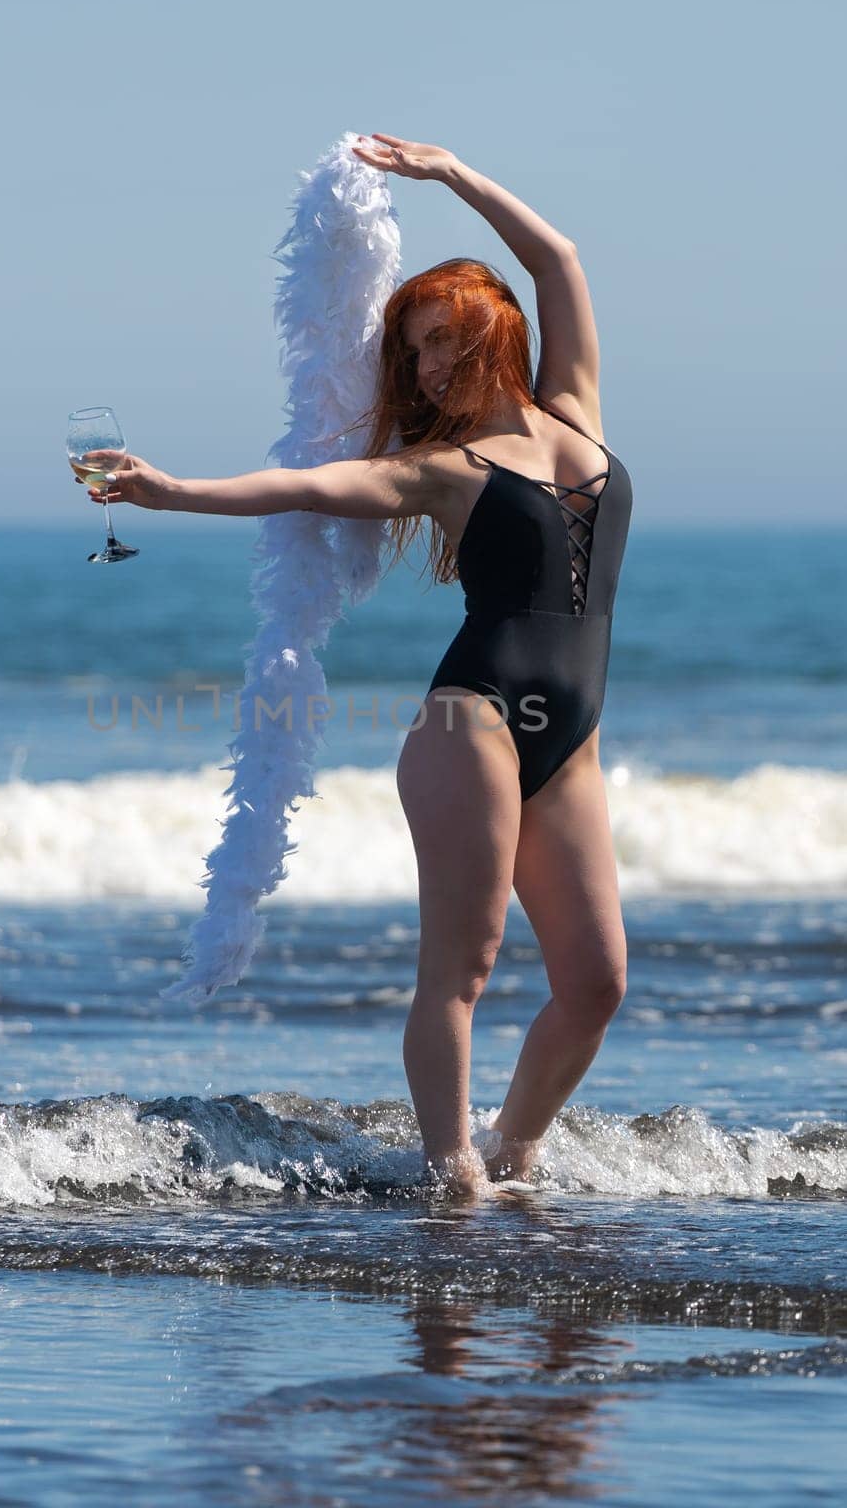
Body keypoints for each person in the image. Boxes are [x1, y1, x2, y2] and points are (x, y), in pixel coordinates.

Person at [84, 133, 633, 1200]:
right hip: (468, 721)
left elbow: (557, 257)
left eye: (436, 338)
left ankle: (512, 1157)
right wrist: (170, 490)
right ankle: (450, 1178)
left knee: (596, 980)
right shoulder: (438, 470)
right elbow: (299, 487)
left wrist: (450, 175)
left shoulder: (574, 409)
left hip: (570, 739)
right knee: (460, 971)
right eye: (410, 351)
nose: (424, 365)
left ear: (490, 326)